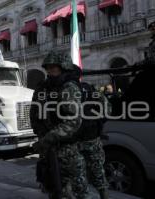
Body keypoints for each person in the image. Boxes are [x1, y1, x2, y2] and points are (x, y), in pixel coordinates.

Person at [30, 51, 90, 198]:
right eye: (48, 67)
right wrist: (39, 133)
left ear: (63, 67)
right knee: (53, 188)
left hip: (68, 149)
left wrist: (47, 139)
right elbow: (34, 111)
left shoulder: (69, 87)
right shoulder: (44, 87)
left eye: (54, 67)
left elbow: (73, 122)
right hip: (48, 148)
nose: (50, 70)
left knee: (79, 191)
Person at [77, 82, 109, 199]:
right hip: (92, 137)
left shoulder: (66, 88)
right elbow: (106, 108)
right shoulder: (90, 88)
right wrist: (98, 122)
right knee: (98, 173)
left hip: (76, 140)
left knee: (79, 176)